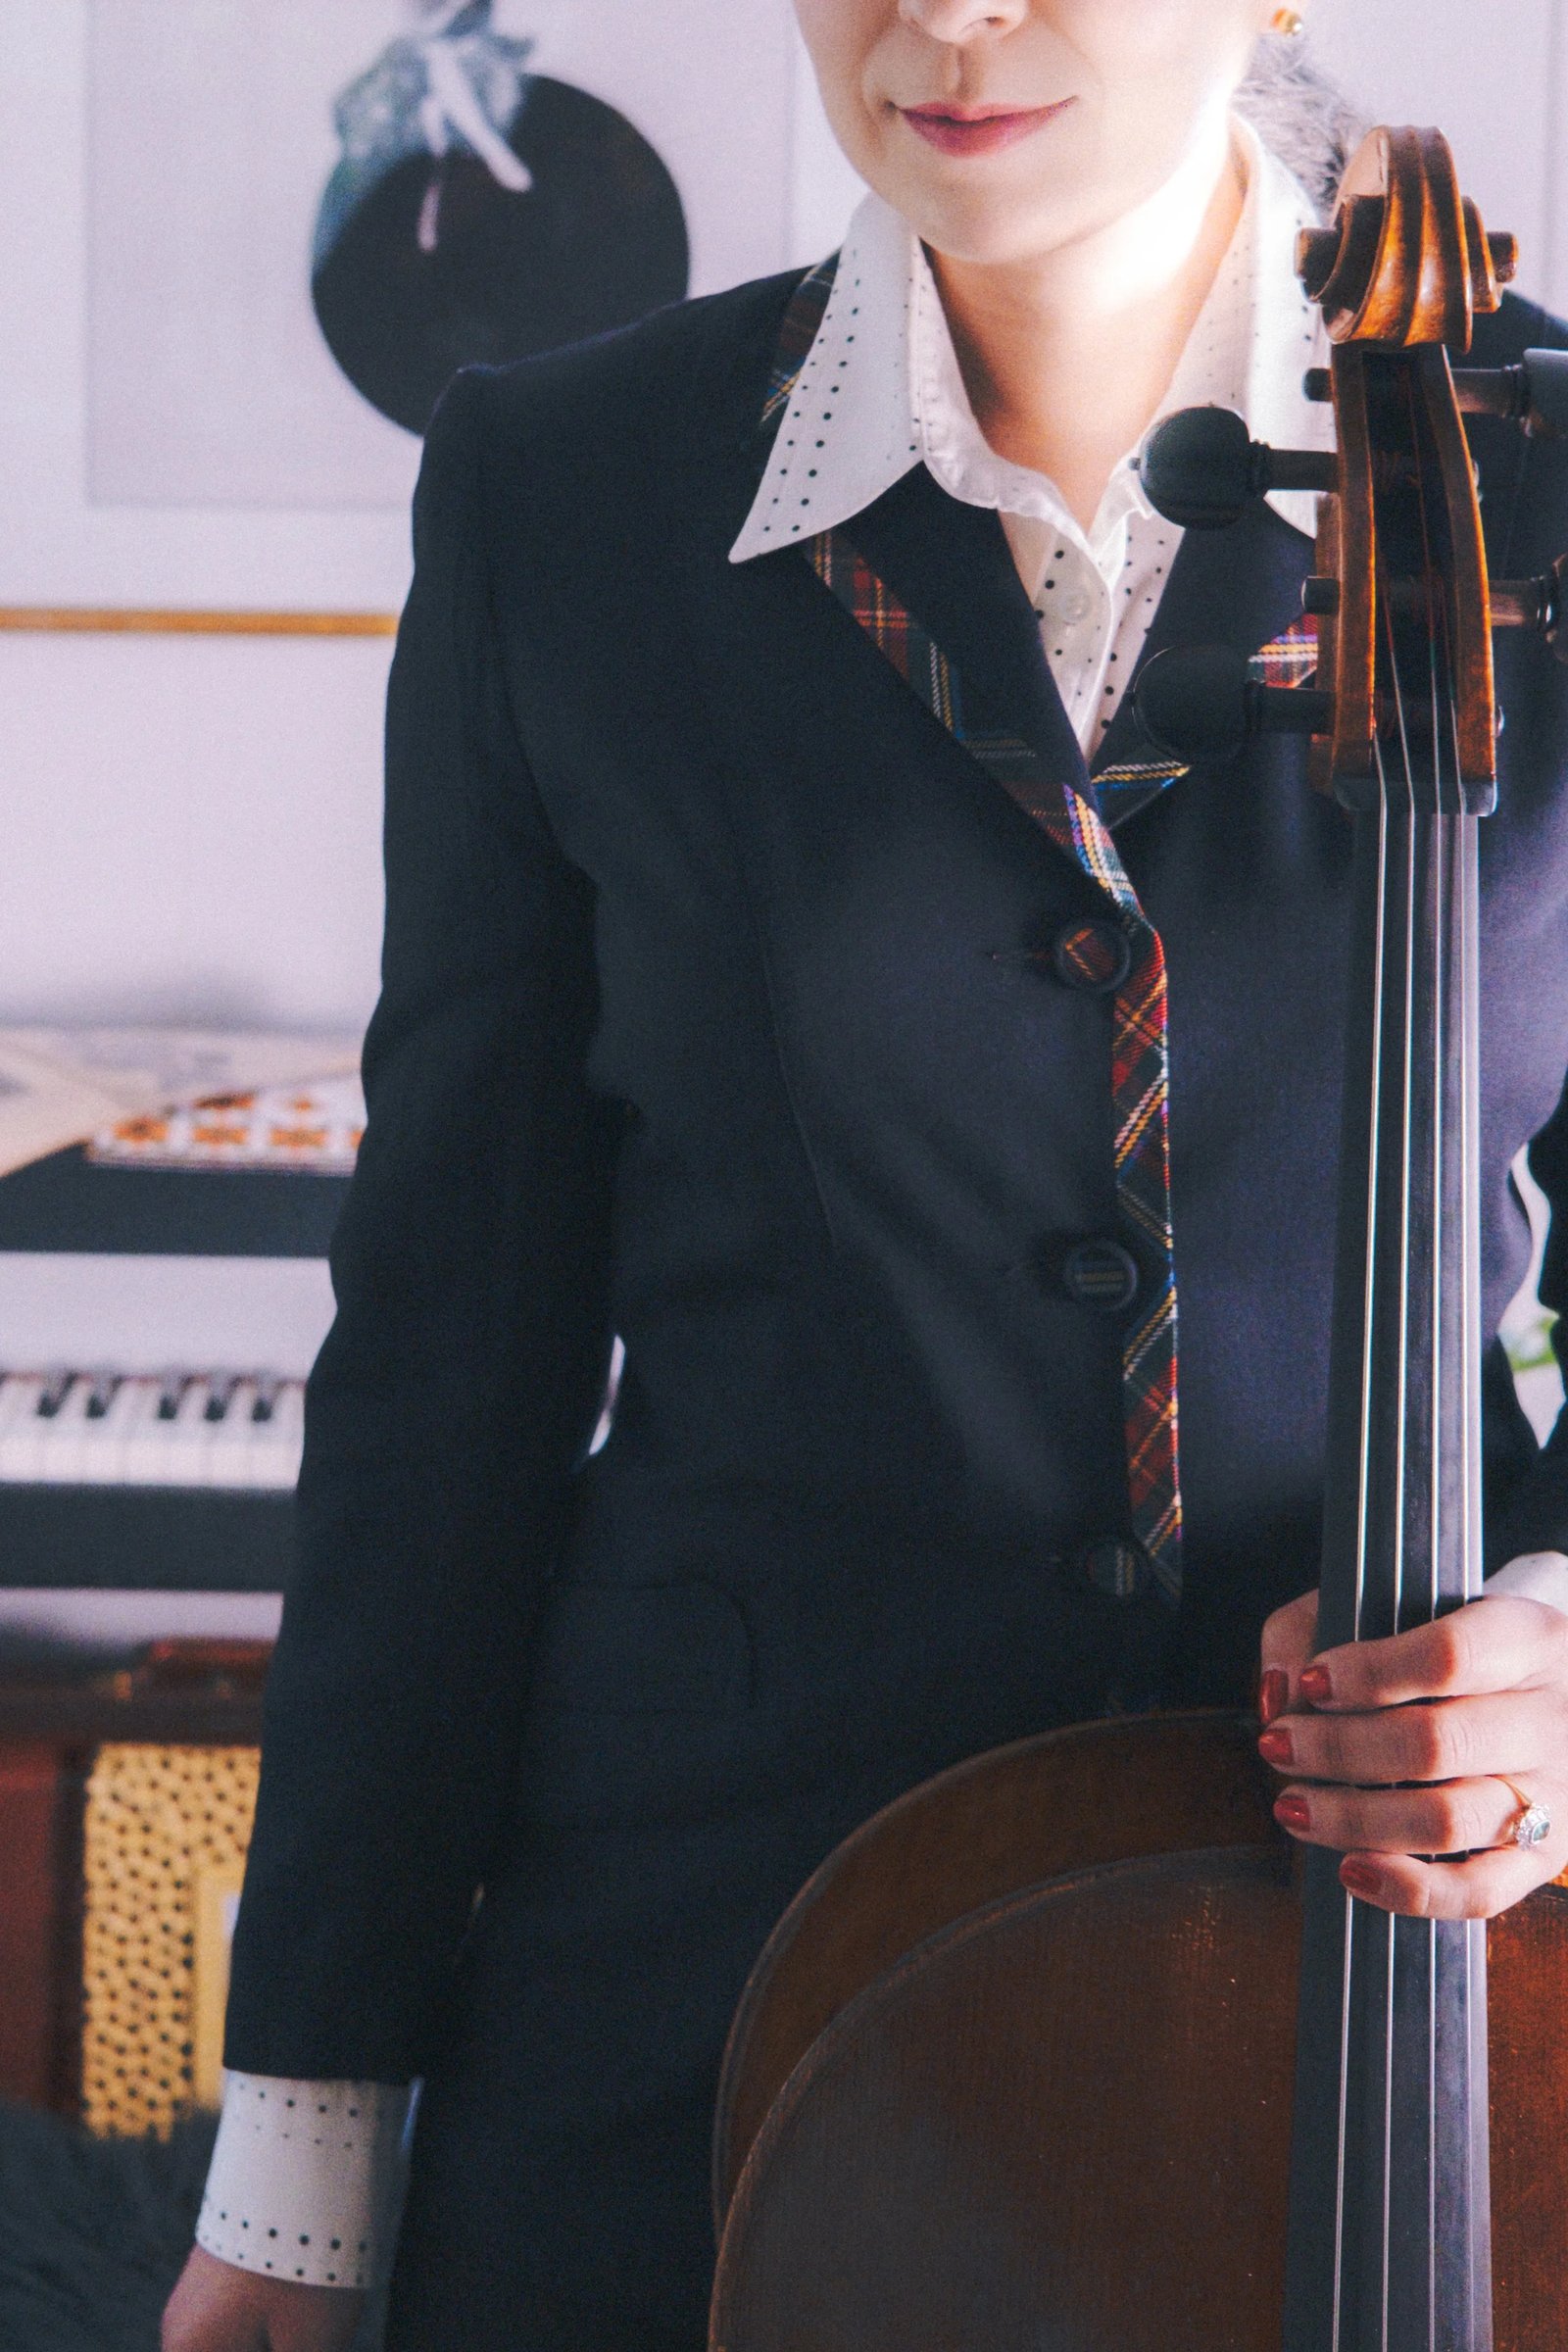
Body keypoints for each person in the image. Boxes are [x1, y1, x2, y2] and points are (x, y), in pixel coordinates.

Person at [163, 2, 1568, 2346]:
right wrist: (303, 2151)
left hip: (1401, 1983)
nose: (940, 17)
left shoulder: (1533, 467)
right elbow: (447, 1372)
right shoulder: (568, 487)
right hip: (704, 1972)